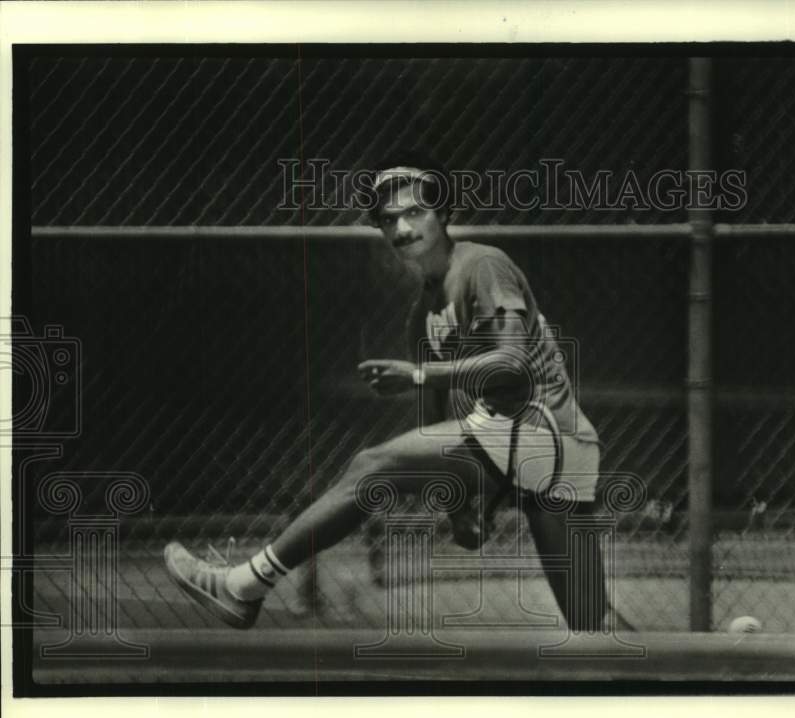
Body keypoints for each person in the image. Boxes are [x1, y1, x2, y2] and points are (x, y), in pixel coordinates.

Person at [163, 154, 607, 632]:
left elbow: (512, 363)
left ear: (444, 214)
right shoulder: (423, 312)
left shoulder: (483, 266)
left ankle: (242, 587)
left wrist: (416, 375)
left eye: (414, 212)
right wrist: (457, 507)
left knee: (372, 466)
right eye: (389, 219)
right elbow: (437, 416)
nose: (401, 228)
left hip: (540, 428)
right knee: (590, 626)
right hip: (550, 444)